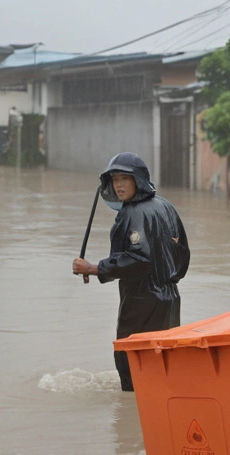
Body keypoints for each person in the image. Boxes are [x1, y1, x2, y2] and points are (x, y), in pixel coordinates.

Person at [72, 153, 189, 392]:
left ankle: (134, 417)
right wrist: (166, 278)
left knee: (131, 364)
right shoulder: (166, 207)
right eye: (115, 179)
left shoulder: (131, 213)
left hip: (141, 300)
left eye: (125, 178)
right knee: (162, 363)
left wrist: (94, 268)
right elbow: (183, 254)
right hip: (170, 299)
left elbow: (137, 260)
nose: (119, 184)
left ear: (139, 180)